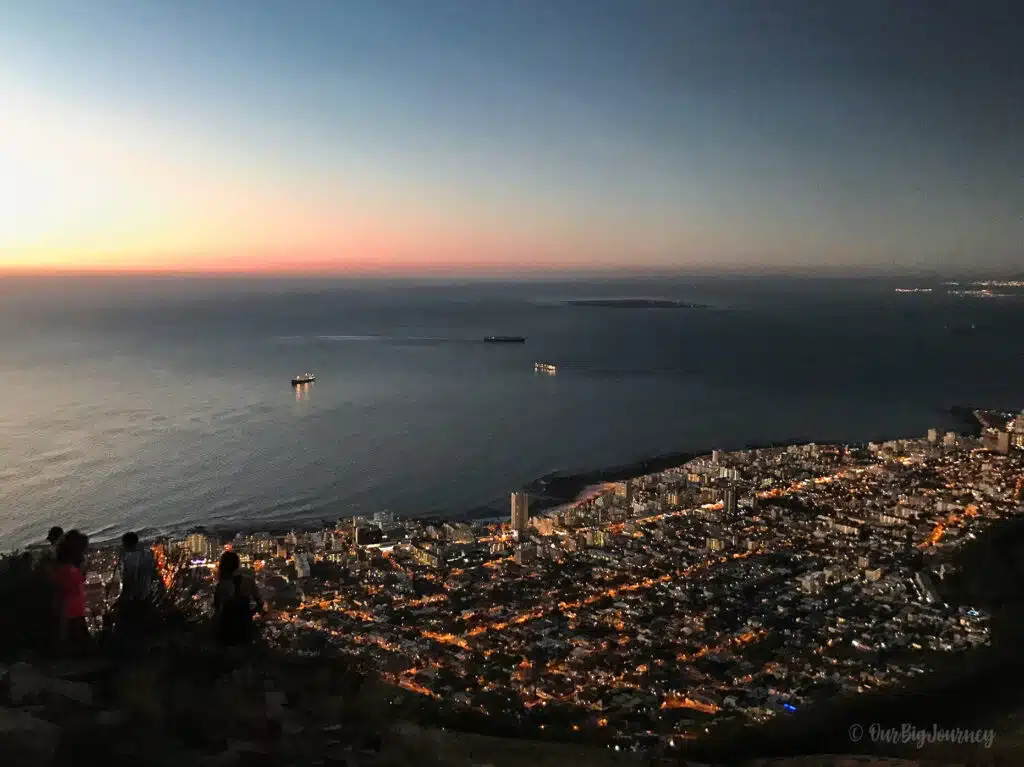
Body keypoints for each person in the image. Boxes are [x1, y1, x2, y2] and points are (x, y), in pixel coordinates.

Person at [114, 532, 158, 646]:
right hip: (146, 595)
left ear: (126, 544)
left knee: (131, 627)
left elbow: (128, 581)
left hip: (133, 598)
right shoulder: (147, 555)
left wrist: (120, 599)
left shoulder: (127, 559)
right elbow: (153, 573)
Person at [213, 551, 264, 647]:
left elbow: (217, 610)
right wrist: (250, 613)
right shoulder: (248, 580)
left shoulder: (221, 585)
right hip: (245, 626)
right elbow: (260, 603)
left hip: (226, 629)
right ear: (237, 563)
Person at [54, 530, 90, 653]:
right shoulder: (68, 570)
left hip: (73, 608)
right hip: (70, 610)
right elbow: (75, 583)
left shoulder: (63, 566)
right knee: (77, 640)